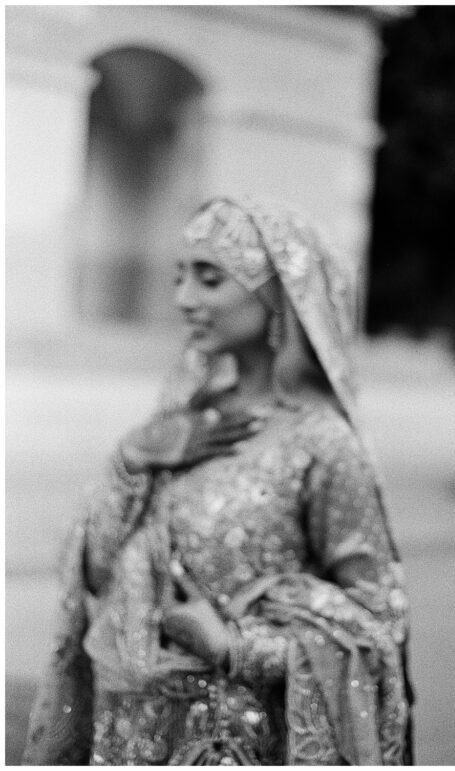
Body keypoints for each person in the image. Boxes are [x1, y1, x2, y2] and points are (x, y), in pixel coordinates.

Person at [24, 197, 412, 765]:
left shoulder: (321, 443)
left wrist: (237, 647)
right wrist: (132, 460)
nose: (184, 300)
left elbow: (377, 622)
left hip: (238, 741)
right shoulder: (176, 424)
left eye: (210, 280)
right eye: (180, 277)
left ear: (274, 293)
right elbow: (92, 572)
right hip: (133, 732)